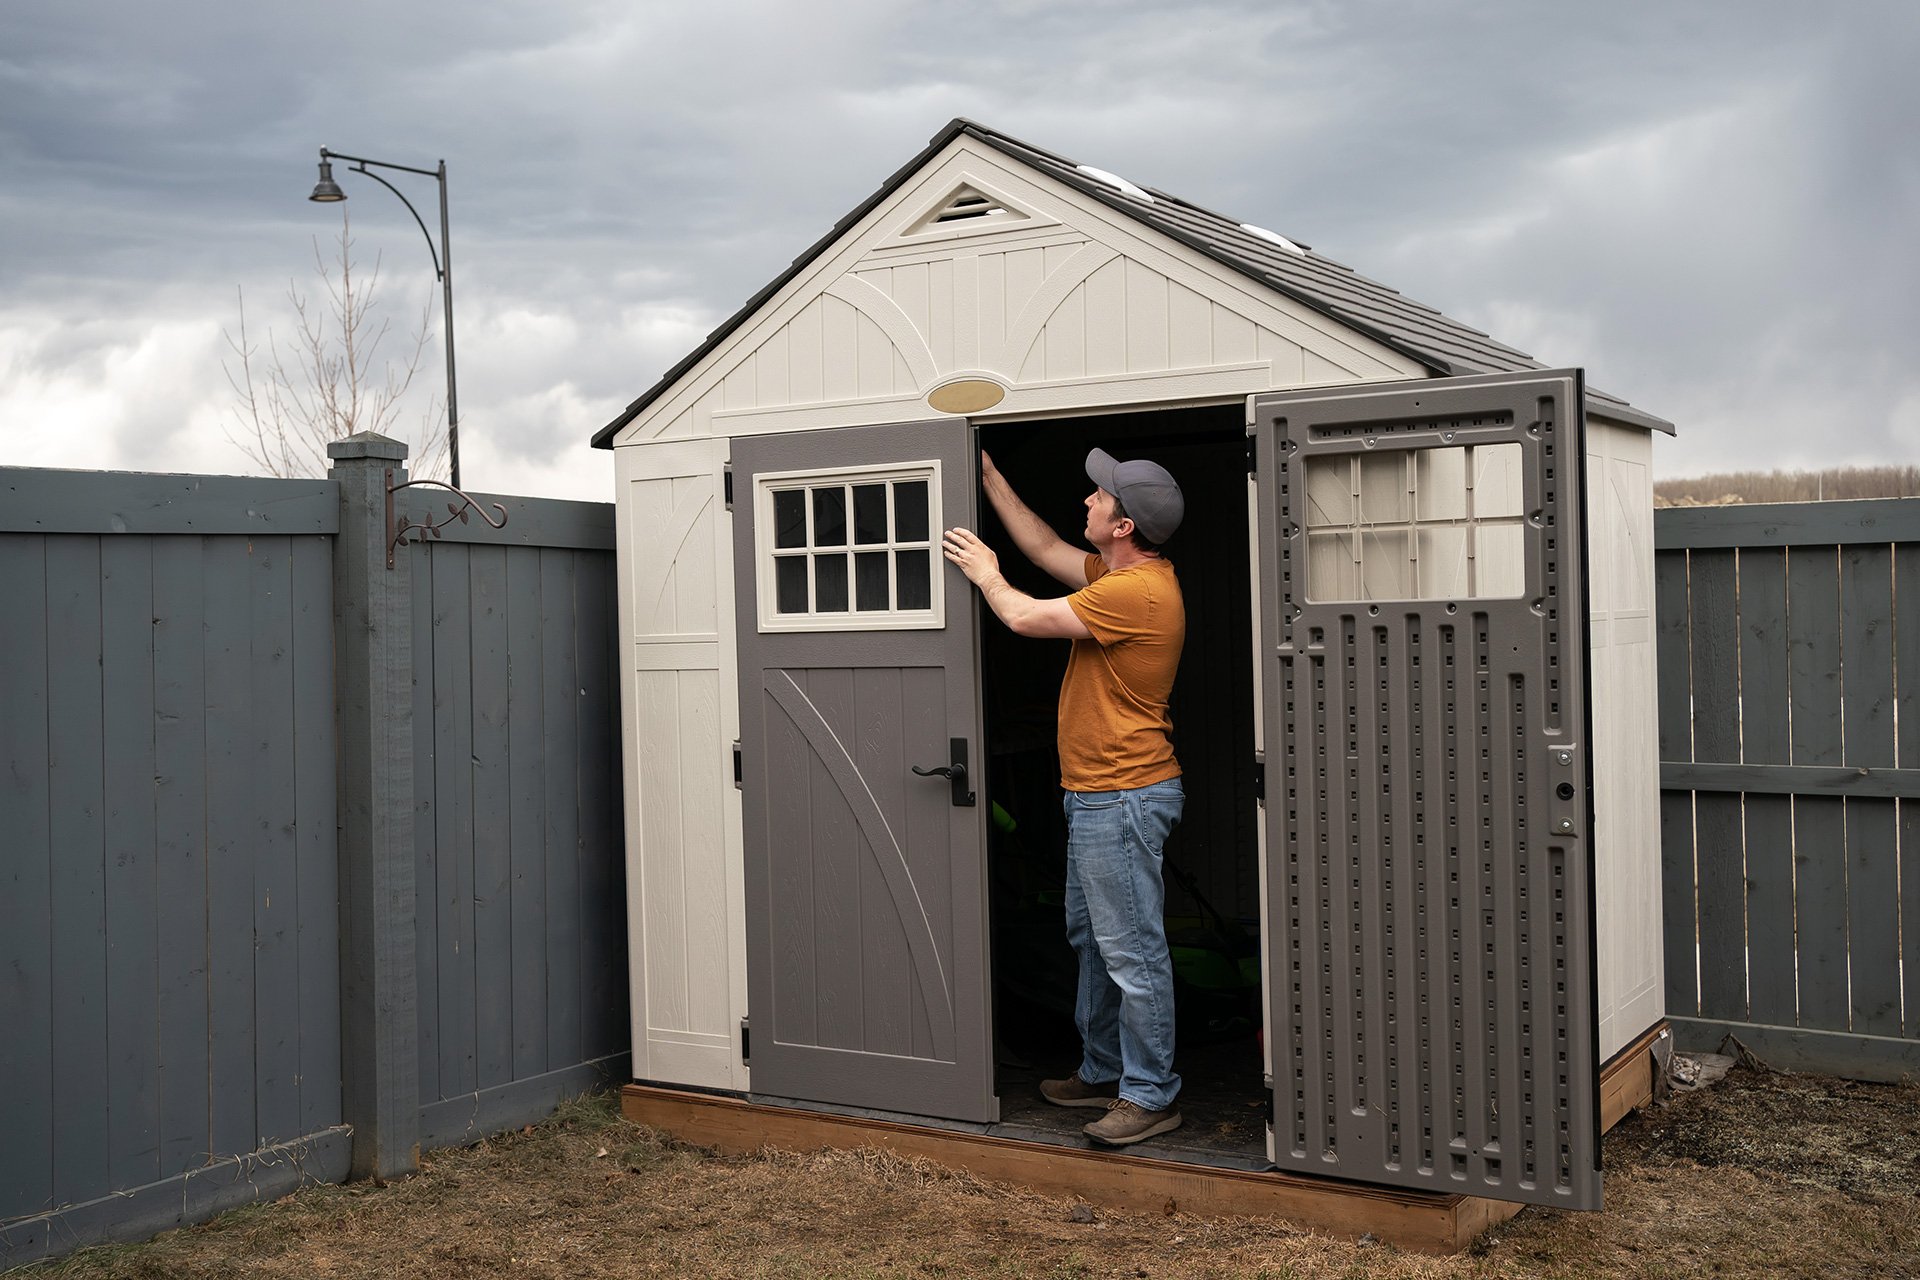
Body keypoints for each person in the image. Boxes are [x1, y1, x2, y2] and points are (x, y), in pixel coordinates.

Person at [941, 447, 1187, 1146]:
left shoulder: (1133, 594)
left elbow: (1021, 616)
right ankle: (1104, 1069)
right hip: (1096, 794)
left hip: (1124, 794)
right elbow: (1044, 544)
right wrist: (987, 472)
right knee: (1094, 939)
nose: (1087, 500)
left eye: (1099, 496)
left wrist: (987, 574)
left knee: (1132, 952)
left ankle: (1150, 1093)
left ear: (1123, 525)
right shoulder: (1121, 572)